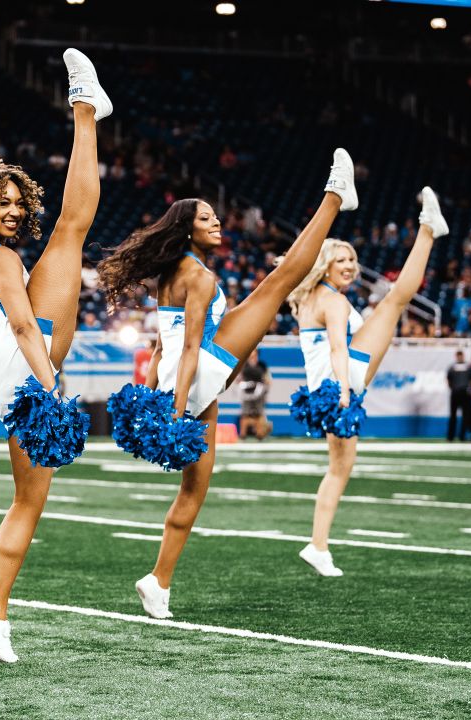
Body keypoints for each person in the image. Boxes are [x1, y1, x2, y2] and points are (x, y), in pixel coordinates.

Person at [97, 148, 361, 619]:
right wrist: (176, 412)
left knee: (193, 491)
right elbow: (192, 348)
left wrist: (158, 393)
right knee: (281, 281)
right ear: (187, 228)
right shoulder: (198, 275)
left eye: (216, 216)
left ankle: (158, 581)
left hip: (187, 379)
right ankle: (334, 196)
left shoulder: (173, 273)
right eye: (206, 218)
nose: (217, 223)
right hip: (199, 373)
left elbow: (162, 344)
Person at [0, 48, 111, 663]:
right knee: (72, 226)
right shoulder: (3, 259)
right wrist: (52, 387)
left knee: (26, 503)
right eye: (1, 203)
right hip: (29, 370)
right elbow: (17, 322)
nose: (13, 210)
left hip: (5, 390)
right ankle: (86, 109)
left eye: (17, 201)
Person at [289, 187, 450, 577]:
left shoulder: (313, 298)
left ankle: (318, 546)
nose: (349, 265)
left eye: (352, 258)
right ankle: (428, 229)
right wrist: (345, 389)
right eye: (340, 259)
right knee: (396, 300)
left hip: (326, 389)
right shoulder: (334, 302)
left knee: (339, 469)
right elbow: (337, 350)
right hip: (338, 383)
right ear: (324, 265)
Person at [238, 347, 273, 440]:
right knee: (245, 413)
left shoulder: (262, 365)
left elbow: (267, 378)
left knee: (259, 413)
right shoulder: (244, 365)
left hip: (259, 393)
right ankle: (243, 434)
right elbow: (239, 378)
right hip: (246, 392)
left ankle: (260, 433)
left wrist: (265, 386)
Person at [446, 349, 471, 441]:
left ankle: (462, 436)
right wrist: (453, 388)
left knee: (465, 416)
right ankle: (451, 436)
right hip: (456, 392)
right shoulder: (452, 367)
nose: (460, 357)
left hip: (464, 392)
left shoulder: (468, 366)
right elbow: (448, 379)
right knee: (453, 415)